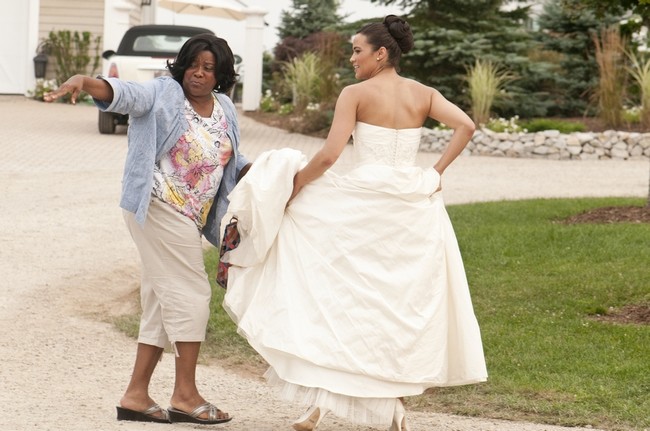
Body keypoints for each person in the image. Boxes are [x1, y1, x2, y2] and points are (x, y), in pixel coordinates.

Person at [221, 14, 488, 431]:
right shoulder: (424, 93)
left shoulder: (356, 94)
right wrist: (435, 174)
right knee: (393, 307)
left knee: (340, 300)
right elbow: (467, 126)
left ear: (381, 53)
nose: (351, 58)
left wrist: (293, 189)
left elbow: (329, 156)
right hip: (411, 207)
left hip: (363, 203)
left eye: (357, 50)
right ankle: (381, 408)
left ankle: (322, 402)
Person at [44, 33, 250, 425]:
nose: (199, 74)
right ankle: (185, 395)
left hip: (189, 215)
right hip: (158, 204)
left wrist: (272, 175)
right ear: (182, 65)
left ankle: (136, 395)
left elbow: (230, 158)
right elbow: (125, 93)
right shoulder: (163, 94)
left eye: (209, 68)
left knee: (160, 299)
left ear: (221, 74)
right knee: (192, 292)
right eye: (193, 64)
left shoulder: (224, 107)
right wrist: (86, 82)